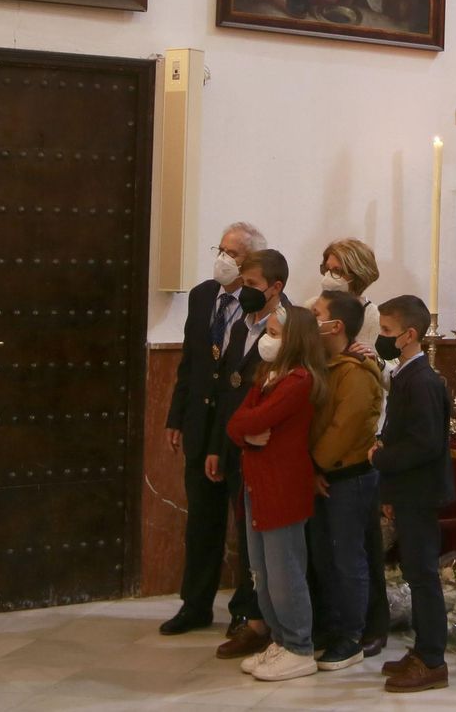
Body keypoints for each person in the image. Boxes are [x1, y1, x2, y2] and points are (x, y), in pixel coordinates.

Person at [160, 223, 268, 638]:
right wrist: (176, 416)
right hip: (199, 425)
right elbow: (190, 362)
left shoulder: (266, 307)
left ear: (251, 262)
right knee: (201, 521)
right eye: (220, 249)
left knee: (244, 525)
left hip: (238, 431)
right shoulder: (204, 295)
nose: (223, 258)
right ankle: (195, 604)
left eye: (234, 254)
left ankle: (245, 609)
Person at [226, 306, 329, 682]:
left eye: (273, 332)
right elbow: (236, 422)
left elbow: (255, 420)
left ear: (294, 340)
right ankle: (281, 639)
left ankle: (299, 645)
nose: (266, 339)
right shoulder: (267, 376)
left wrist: (247, 431)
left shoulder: (299, 380)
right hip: (257, 482)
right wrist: (246, 436)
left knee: (285, 571)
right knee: (262, 573)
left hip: (282, 485)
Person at [210, 249, 292, 660]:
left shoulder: (288, 330)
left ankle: (268, 623)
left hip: (270, 448)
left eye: (255, 286)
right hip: (237, 441)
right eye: (244, 285)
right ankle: (248, 615)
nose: (246, 293)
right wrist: (217, 447)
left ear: (276, 288)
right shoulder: (240, 326)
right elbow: (228, 388)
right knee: (245, 538)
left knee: (269, 545)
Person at [370, 295, 453, 693]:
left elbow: (424, 444)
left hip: (420, 492)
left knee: (423, 575)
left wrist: (380, 459)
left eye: (387, 331)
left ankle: (433, 658)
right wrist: (389, 489)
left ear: (409, 335)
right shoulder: (405, 375)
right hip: (406, 491)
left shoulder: (423, 381)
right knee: (414, 571)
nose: (381, 338)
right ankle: (422, 649)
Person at [315, 238, 392, 656]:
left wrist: (372, 361)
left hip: (361, 434)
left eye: (338, 268)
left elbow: (375, 369)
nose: (329, 273)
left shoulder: (369, 313)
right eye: (326, 265)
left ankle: (370, 624)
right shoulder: (318, 305)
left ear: (357, 273)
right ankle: (333, 621)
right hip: (328, 424)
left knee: (361, 544)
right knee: (331, 548)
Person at [306, 290, 383, 672]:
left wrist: (316, 466)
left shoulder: (355, 373)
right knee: (324, 557)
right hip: (322, 476)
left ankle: (351, 635)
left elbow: (344, 428)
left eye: (315, 312)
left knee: (346, 558)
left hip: (346, 478)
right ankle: (331, 626)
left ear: (335, 326)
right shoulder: (328, 363)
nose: (309, 315)